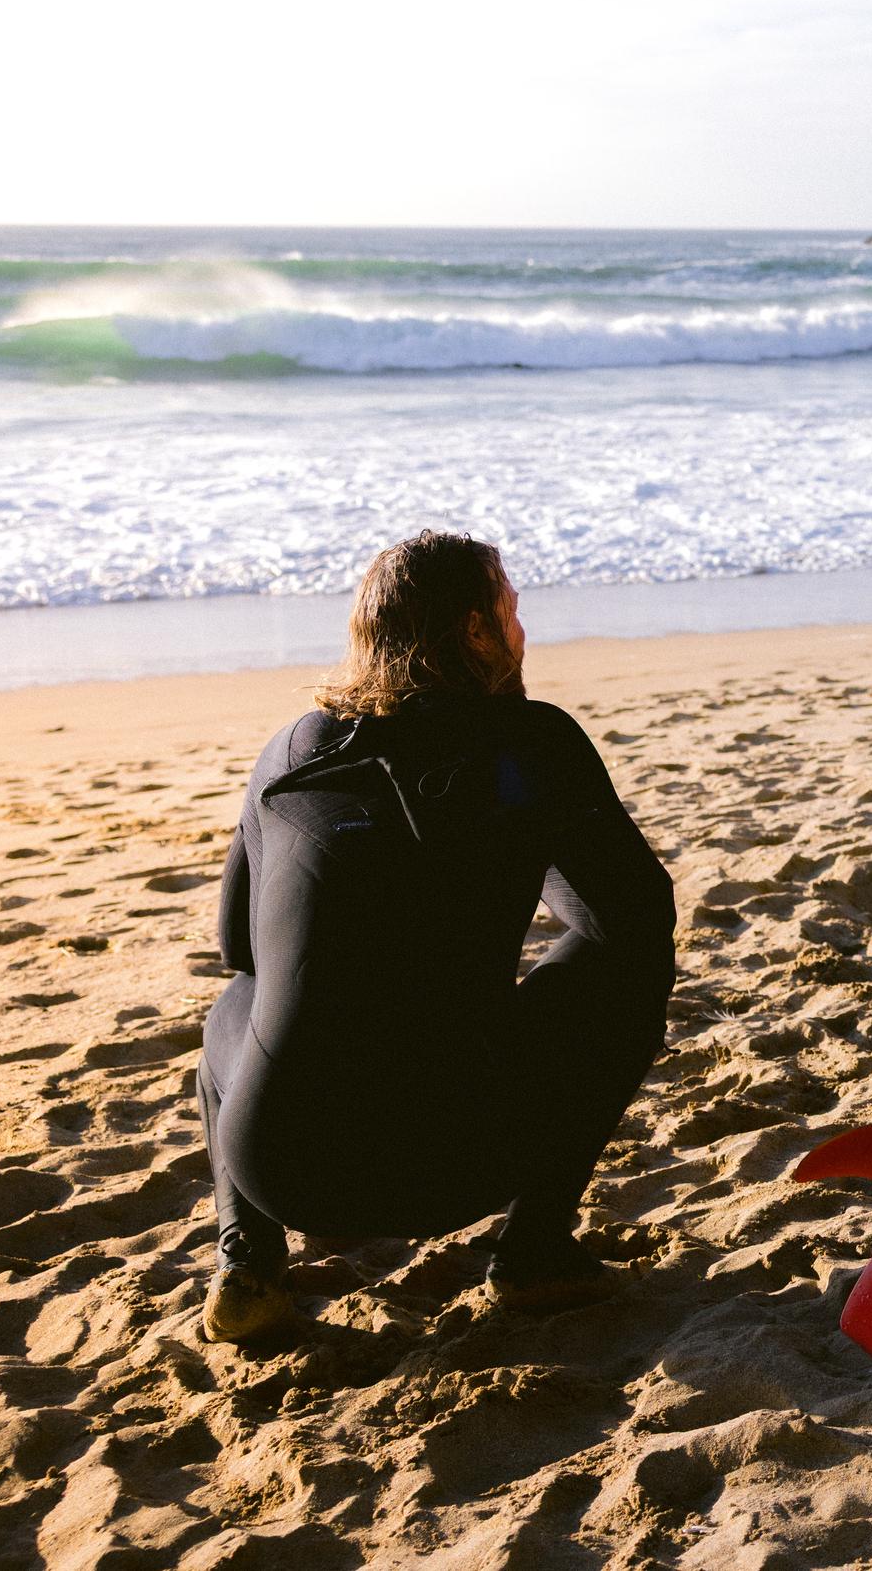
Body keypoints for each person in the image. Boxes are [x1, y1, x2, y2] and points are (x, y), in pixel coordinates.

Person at [195, 532, 675, 1343]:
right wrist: (510, 844)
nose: (523, 631)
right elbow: (629, 921)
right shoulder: (530, 743)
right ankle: (534, 1251)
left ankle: (248, 1261)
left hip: (281, 1168)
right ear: (476, 632)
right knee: (628, 967)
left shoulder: (291, 750)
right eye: (511, 611)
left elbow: (238, 950)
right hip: (457, 1166)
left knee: (239, 999)